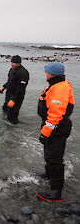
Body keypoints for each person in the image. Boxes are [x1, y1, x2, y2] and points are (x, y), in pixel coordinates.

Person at [36, 62, 75, 202]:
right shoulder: (55, 84)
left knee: (55, 158)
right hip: (51, 126)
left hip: (57, 127)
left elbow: (56, 114)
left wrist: (45, 132)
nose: (45, 73)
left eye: (46, 71)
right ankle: (49, 175)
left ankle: (56, 192)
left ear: (52, 73)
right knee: (49, 153)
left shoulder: (60, 88)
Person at [0, 55, 29, 124]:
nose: (12, 64)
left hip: (17, 95)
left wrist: (13, 100)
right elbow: (10, 81)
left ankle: (16, 131)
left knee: (12, 115)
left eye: (14, 62)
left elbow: (21, 88)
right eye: (12, 62)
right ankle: (4, 127)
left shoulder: (23, 73)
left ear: (19, 63)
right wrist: (4, 87)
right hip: (9, 93)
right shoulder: (12, 69)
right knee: (5, 109)